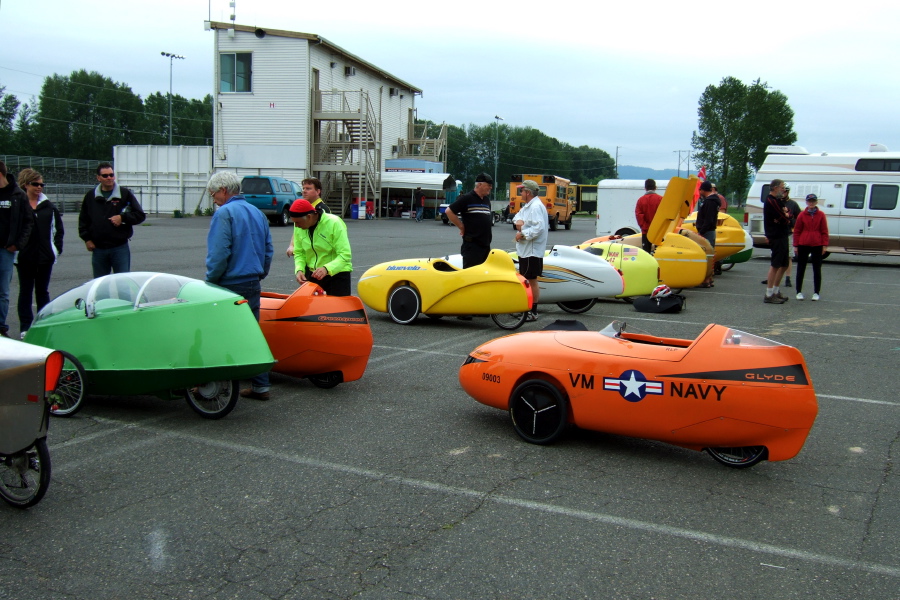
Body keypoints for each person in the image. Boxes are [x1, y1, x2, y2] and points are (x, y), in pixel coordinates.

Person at [205, 171, 274, 401]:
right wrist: (259, 273)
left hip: (229, 283)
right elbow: (268, 249)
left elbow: (219, 253)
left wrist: (211, 280)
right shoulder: (257, 212)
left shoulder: (224, 213)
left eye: (213, 194)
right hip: (252, 281)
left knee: (220, 335)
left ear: (224, 190)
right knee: (252, 333)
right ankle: (261, 385)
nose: (213, 198)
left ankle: (216, 384)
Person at [14, 169, 63, 338]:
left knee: (42, 292)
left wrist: (55, 251)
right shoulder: (19, 205)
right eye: (36, 184)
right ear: (25, 185)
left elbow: (58, 231)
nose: (39, 187)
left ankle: (44, 324)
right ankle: (25, 327)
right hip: (24, 257)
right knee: (25, 292)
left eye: (42, 184)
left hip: (45, 257)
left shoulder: (49, 207)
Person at [78, 162, 146, 278]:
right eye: (105, 175)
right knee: (99, 285)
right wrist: (87, 239)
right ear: (98, 178)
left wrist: (123, 218)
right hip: (98, 249)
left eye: (111, 175)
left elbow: (140, 215)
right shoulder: (91, 196)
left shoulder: (124, 194)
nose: (109, 178)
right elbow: (83, 220)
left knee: (122, 283)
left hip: (119, 248)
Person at [289, 199, 352, 296]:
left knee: (335, 309)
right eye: (294, 223)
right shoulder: (299, 225)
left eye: (298, 222)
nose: (297, 226)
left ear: (309, 217)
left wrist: (327, 268)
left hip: (337, 275)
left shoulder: (334, 223)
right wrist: (299, 270)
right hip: (314, 274)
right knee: (313, 309)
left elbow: (345, 255)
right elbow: (299, 252)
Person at [0, 160, 33, 338]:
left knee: (3, 291)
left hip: (6, 250)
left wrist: (17, 244)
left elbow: (28, 221)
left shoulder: (17, 195)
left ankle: (1, 327)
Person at [514, 180, 549, 322]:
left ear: (528, 192)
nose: (520, 193)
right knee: (527, 279)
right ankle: (527, 309)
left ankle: (532, 311)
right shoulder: (528, 206)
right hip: (526, 250)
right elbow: (518, 217)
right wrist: (518, 223)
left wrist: (522, 233)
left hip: (532, 250)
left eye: (521, 191)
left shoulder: (535, 207)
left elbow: (539, 228)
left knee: (531, 280)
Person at [445, 173, 494, 269]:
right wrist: (461, 226)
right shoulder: (467, 198)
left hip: (485, 245)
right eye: (489, 185)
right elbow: (449, 211)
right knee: (472, 276)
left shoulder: (486, 200)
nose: (491, 188)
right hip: (472, 246)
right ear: (480, 185)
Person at [793, 194, 829, 301]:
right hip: (803, 243)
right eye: (809, 201)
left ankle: (816, 292)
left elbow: (824, 231)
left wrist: (824, 244)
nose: (811, 203)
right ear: (806, 202)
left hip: (817, 244)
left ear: (816, 202)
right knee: (801, 268)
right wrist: (796, 245)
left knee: (817, 269)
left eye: (813, 201)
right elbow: (797, 231)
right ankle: (798, 291)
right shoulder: (802, 215)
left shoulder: (821, 215)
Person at [762, 179, 793, 304]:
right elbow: (783, 217)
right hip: (776, 235)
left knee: (784, 264)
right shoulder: (771, 201)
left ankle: (776, 290)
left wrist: (786, 216)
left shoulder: (779, 201)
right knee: (775, 264)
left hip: (783, 234)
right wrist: (785, 217)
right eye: (781, 187)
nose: (783, 190)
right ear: (775, 188)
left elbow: (788, 214)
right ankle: (769, 294)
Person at [285, 177, 330, 257]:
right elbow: (297, 229)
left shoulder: (322, 210)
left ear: (318, 191)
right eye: (303, 188)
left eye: (308, 189)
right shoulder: (303, 207)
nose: (304, 191)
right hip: (305, 252)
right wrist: (292, 245)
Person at [695, 180, 720, 288]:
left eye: (700, 190)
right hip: (711, 231)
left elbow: (708, 219)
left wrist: (701, 232)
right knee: (710, 256)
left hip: (707, 231)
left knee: (706, 256)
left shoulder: (709, 202)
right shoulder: (714, 201)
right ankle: (710, 278)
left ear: (703, 190)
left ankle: (705, 279)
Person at [635, 179, 663, 253]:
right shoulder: (661, 199)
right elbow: (663, 215)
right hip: (659, 231)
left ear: (645, 188)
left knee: (646, 253)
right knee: (659, 252)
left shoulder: (640, 200)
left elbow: (639, 216)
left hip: (646, 232)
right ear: (655, 187)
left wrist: (645, 227)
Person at [783, 186, 801, 288]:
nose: (783, 193)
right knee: (776, 256)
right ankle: (772, 277)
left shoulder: (793, 204)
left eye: (785, 191)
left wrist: (790, 221)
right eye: (782, 191)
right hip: (778, 233)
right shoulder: (776, 202)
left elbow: (799, 218)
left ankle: (788, 277)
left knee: (789, 256)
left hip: (789, 232)